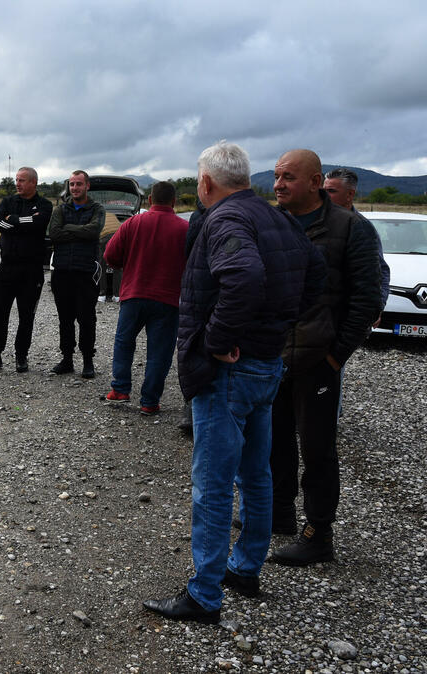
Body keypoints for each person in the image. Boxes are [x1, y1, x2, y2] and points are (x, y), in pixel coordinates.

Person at [143, 141, 324, 624]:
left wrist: (220, 339)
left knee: (214, 484)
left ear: (205, 183)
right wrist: (273, 327)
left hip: (230, 372)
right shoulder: (278, 218)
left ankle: (204, 595)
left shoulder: (224, 219)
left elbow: (242, 275)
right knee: (257, 475)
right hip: (266, 365)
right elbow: (315, 277)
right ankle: (245, 569)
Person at [267, 151, 381, 566]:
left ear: (315, 181)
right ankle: (278, 514)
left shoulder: (352, 228)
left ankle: (318, 534)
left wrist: (336, 356)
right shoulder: (273, 223)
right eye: (277, 176)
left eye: (288, 178)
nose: (278, 184)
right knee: (273, 439)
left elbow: (366, 298)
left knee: (316, 449)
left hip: (319, 359)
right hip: (273, 356)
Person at [102, 181, 188, 415]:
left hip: (134, 293)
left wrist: (127, 265)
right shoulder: (185, 229)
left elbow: (110, 255)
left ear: (150, 200)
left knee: (124, 342)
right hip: (168, 300)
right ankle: (149, 401)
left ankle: (120, 389)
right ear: (174, 201)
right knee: (159, 352)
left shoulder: (133, 223)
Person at [0, 167, 53, 373]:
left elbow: (39, 222)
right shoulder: (8, 202)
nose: (17, 184)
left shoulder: (45, 205)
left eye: (22, 180)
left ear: (33, 183)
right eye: (16, 180)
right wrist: (22, 222)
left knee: (26, 316)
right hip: (6, 269)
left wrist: (13, 220)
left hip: (31, 271)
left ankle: (21, 356)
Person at [47, 170, 105, 378]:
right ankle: (67, 359)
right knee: (65, 318)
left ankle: (88, 361)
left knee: (86, 318)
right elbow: (53, 233)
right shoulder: (60, 209)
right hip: (62, 271)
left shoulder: (97, 208)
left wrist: (68, 229)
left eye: (79, 184)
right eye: (72, 184)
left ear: (87, 186)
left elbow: (94, 231)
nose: (75, 188)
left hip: (86, 272)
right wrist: (79, 231)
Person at [323, 168, 390, 318]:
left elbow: (381, 271)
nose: (324, 196)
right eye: (324, 190)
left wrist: (376, 307)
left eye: (331, 191)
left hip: (347, 315)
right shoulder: (316, 222)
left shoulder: (362, 228)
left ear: (350, 194)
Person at [178, 197, 208, 434]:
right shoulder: (198, 218)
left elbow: (188, 254)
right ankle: (193, 415)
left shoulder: (198, 217)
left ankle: (192, 415)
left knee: (192, 352)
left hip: (198, 294)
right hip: (203, 294)